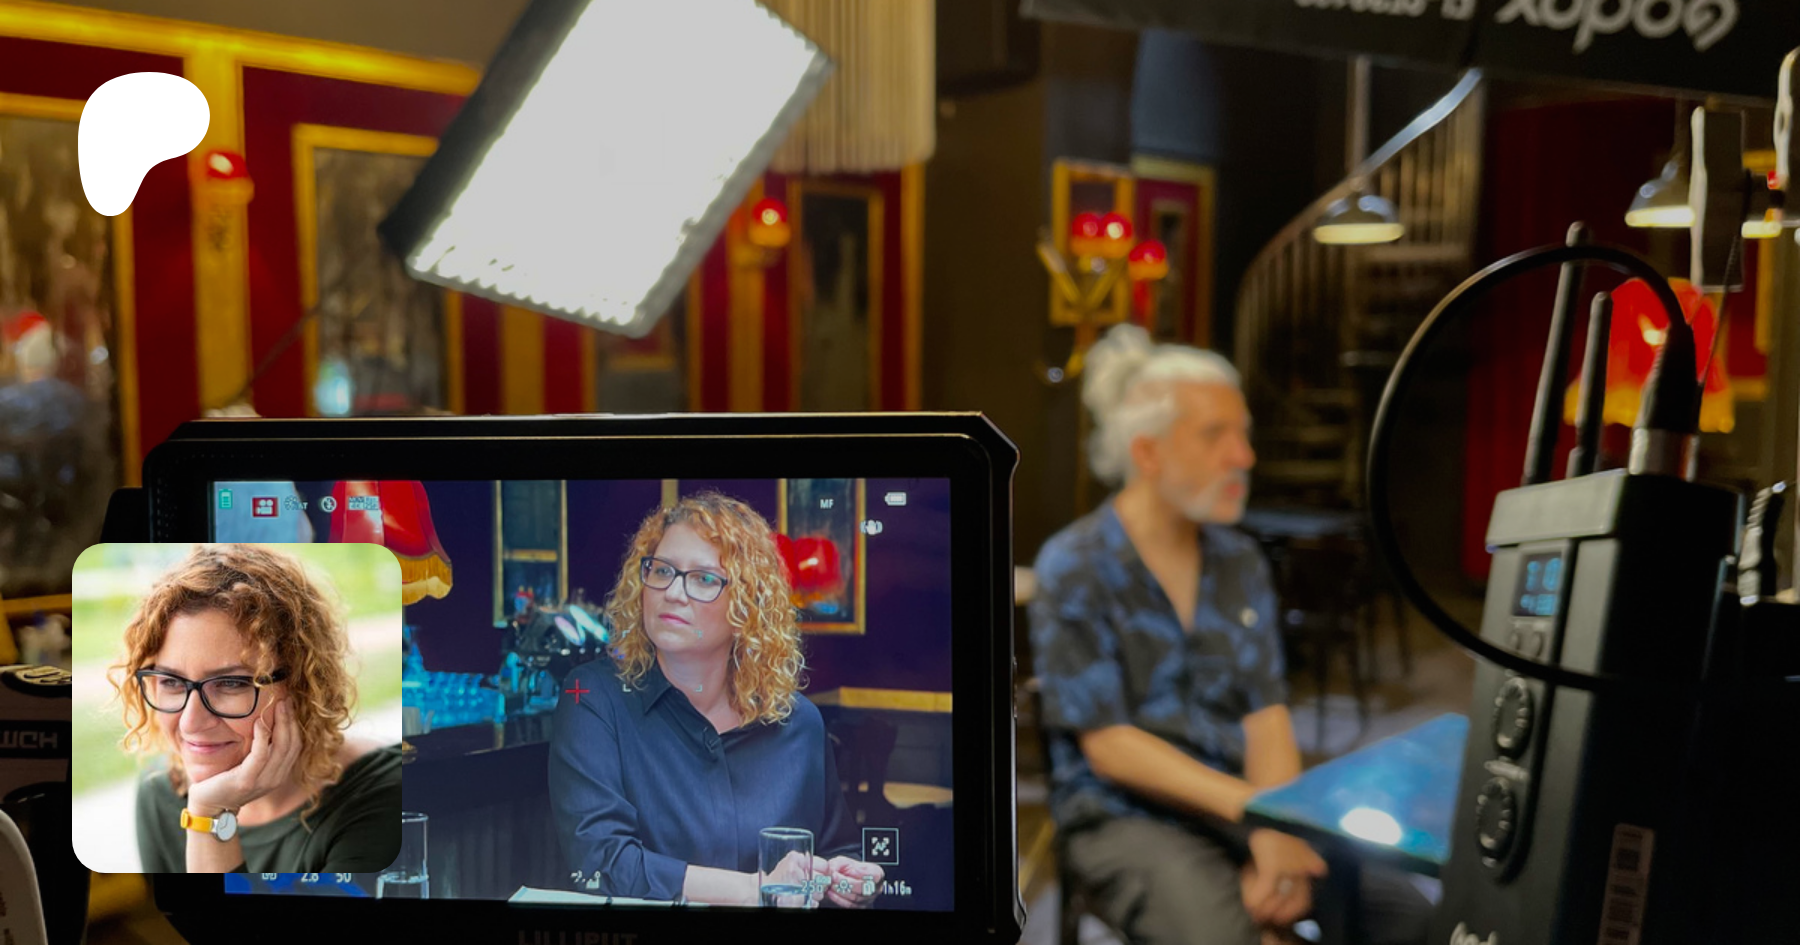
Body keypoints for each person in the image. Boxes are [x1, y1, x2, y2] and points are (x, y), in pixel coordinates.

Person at [1029, 325, 1431, 945]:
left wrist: (1280, 825)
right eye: (1216, 434)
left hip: (1239, 800)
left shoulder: (1240, 562)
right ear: (1147, 453)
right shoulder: (1074, 564)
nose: (1244, 456)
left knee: (1410, 917)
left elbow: (1266, 716)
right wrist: (1258, 817)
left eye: (1243, 434)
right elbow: (1111, 747)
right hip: (1123, 815)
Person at [549, 492, 885, 907]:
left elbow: (835, 851)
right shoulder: (593, 697)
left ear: (748, 605)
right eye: (662, 570)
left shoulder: (798, 723)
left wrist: (849, 879)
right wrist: (757, 889)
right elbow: (601, 863)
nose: (673, 592)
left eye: (704, 579)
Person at [112, 544, 400, 873]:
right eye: (171, 682)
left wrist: (210, 818)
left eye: (231, 683)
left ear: (302, 684)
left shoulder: (383, 796)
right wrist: (208, 809)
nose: (191, 722)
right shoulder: (160, 791)